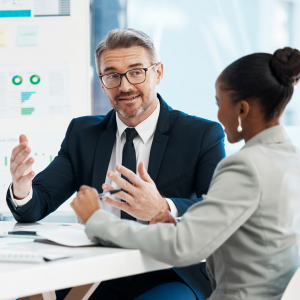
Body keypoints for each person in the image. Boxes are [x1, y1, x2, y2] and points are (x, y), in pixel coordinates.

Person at [7, 29, 225, 300]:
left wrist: (163, 206)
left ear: (157, 73)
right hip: (95, 271)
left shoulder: (201, 134)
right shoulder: (82, 133)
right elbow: (37, 204)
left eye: (136, 72)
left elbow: (219, 210)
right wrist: (22, 187)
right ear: (102, 82)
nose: (124, 86)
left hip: (169, 272)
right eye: (112, 75)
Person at [70, 47, 300, 300]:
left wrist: (95, 220)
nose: (218, 115)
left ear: (242, 110)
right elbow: (253, 230)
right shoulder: (290, 160)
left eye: (219, 104)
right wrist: (178, 223)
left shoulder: (246, 166)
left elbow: (183, 247)